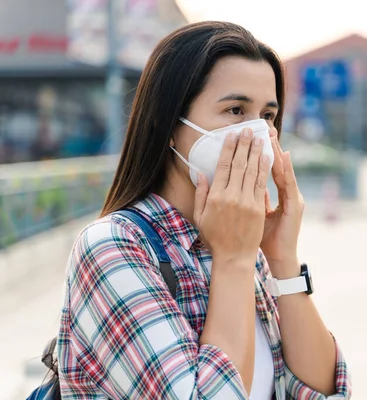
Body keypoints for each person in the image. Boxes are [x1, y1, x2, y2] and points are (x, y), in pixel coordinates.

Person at [56, 21, 351, 399]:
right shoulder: (113, 247)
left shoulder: (247, 249)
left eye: (267, 117)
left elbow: (324, 391)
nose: (256, 133)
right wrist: (233, 260)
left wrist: (282, 259)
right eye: (235, 109)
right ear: (171, 125)